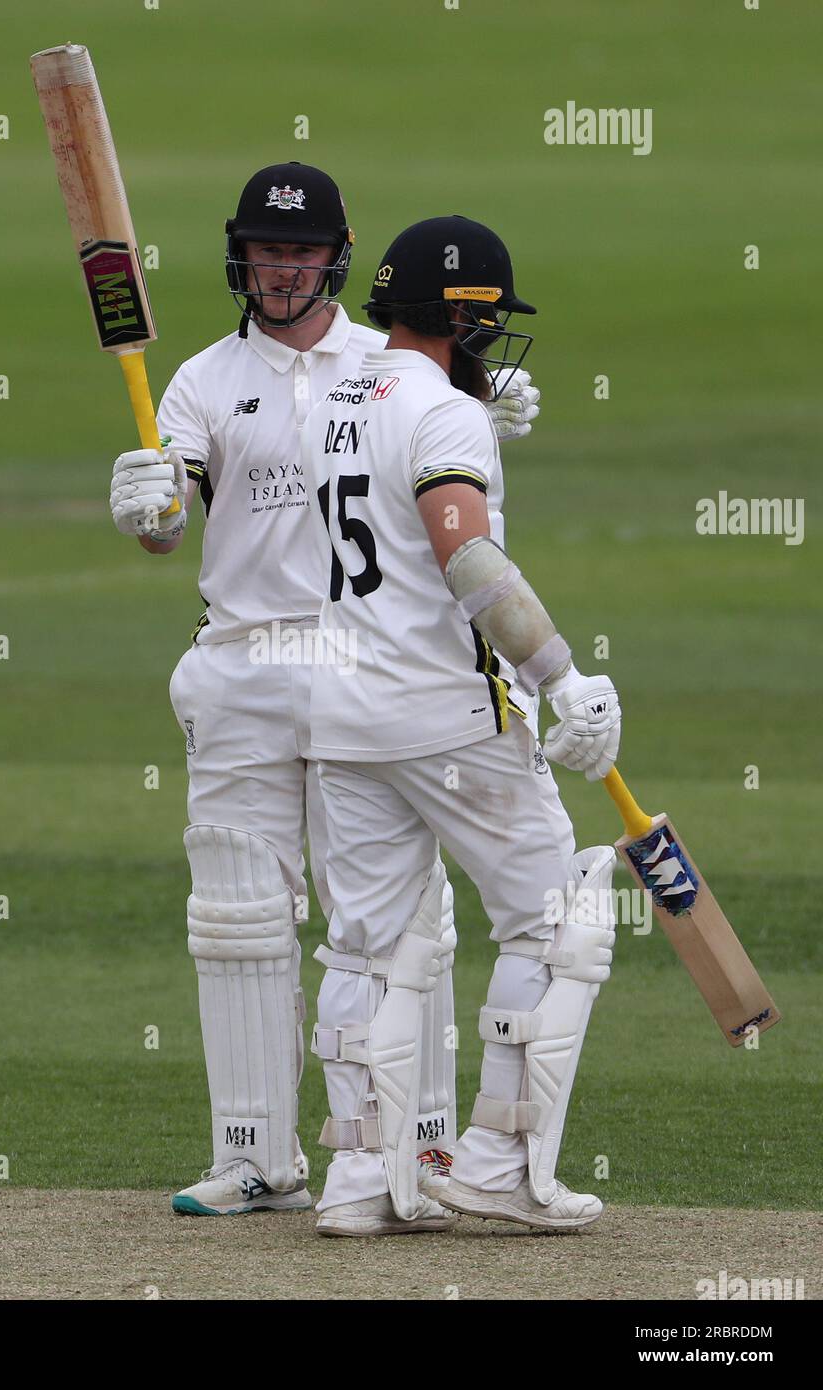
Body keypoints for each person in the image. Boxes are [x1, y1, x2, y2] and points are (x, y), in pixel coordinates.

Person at [108, 167, 541, 1219]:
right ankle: (254, 1152)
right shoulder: (204, 380)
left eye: (297, 253)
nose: (280, 271)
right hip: (244, 657)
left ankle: (420, 1147)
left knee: (393, 915)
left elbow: (445, 487)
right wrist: (152, 508)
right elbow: (173, 524)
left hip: (369, 663)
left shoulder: (386, 361)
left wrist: (479, 396)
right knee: (239, 906)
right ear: (238, 259)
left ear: (338, 255)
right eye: (262, 253)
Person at [299, 215, 622, 1235]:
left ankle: (355, 1180)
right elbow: (465, 558)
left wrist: (462, 414)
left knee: (362, 949)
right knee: (552, 925)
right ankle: (498, 1161)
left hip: (341, 714)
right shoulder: (444, 414)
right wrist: (560, 677)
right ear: (460, 320)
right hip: (448, 713)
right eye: (489, 327)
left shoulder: (333, 397)